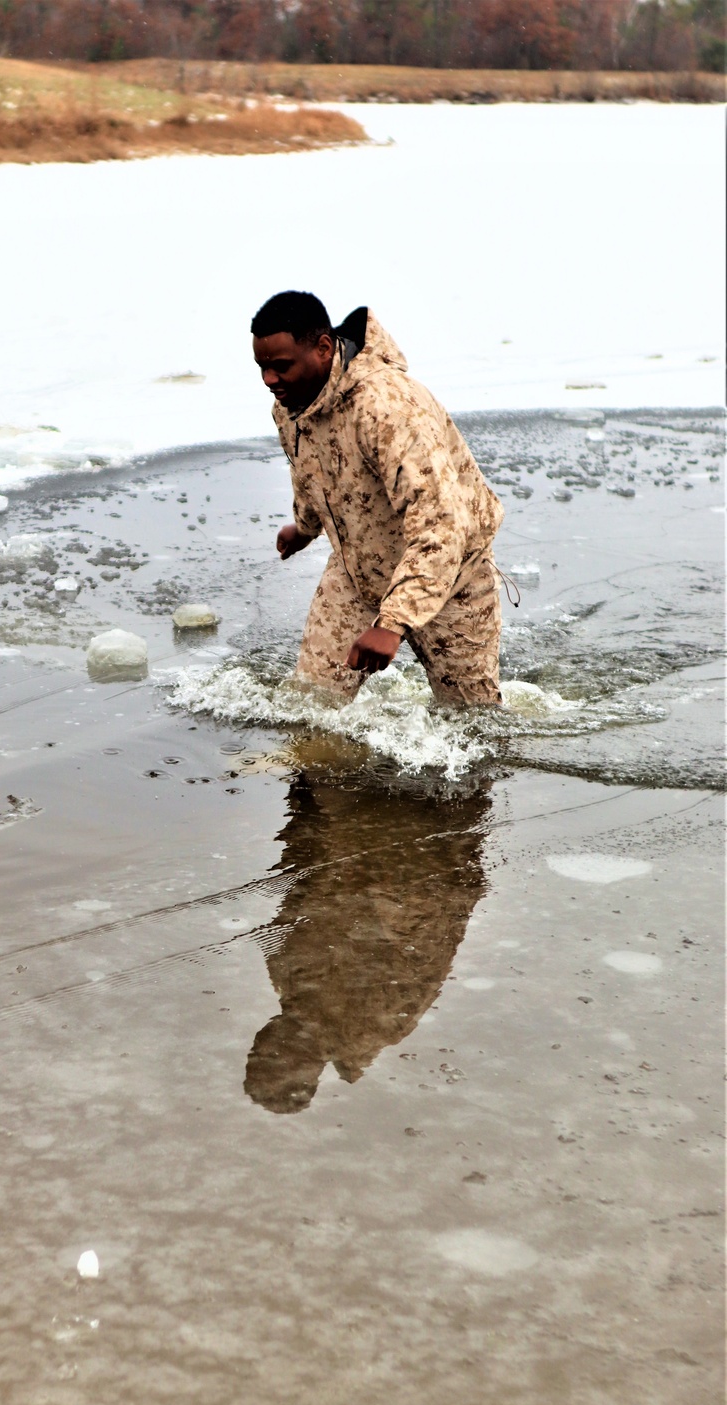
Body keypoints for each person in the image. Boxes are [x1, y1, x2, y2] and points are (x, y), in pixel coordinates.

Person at [251, 290, 505, 705]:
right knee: (311, 706)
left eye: (281, 367)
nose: (269, 380)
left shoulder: (388, 408)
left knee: (471, 726)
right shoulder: (290, 407)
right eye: (262, 368)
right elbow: (312, 469)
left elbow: (441, 525)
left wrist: (393, 623)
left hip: (450, 578)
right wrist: (305, 525)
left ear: (322, 347)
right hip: (358, 571)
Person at [244, 769, 491, 1114]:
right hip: (407, 854)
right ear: (309, 1069)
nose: (261, 1041)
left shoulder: (290, 985)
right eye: (270, 1057)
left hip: (366, 848)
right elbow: (430, 930)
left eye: (255, 1052)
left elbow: (300, 883)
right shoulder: (373, 1025)